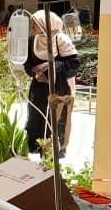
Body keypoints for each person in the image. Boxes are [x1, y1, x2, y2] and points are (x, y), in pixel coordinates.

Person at [24, 10, 79, 156]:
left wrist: (51, 67)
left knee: (57, 117)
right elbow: (27, 64)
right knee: (37, 115)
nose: (32, 28)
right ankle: (37, 147)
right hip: (39, 87)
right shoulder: (32, 41)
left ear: (45, 25)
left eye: (35, 24)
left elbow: (73, 63)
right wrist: (35, 72)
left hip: (60, 87)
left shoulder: (61, 40)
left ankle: (57, 149)